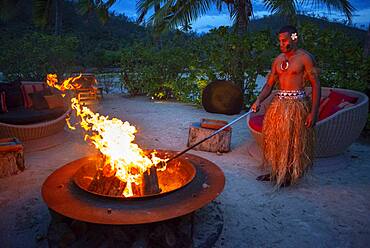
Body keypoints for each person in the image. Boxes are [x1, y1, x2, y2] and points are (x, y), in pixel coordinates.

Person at [251, 25, 321, 187]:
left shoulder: (305, 58)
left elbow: (316, 85)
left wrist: (313, 112)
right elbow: (269, 85)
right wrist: (258, 100)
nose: (281, 44)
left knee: (292, 142)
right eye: (280, 41)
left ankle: (288, 175)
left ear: (294, 38)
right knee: (277, 140)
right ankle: (277, 171)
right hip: (279, 106)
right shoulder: (278, 60)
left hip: (297, 106)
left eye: (285, 40)